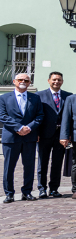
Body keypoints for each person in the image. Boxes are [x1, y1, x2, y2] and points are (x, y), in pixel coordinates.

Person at [0, 72, 44, 203]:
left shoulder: (35, 98)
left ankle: (27, 192)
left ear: (30, 83)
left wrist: (29, 127)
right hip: (11, 137)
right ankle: (9, 193)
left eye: (26, 80)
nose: (23, 82)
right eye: (20, 79)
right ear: (14, 81)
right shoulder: (4, 98)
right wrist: (19, 127)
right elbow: (2, 116)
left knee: (29, 166)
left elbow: (40, 116)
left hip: (29, 137)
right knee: (9, 167)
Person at [35, 71, 71, 199]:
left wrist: (68, 135)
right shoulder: (39, 95)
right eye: (54, 79)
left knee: (57, 163)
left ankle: (54, 188)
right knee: (42, 163)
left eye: (59, 80)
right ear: (48, 80)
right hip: (44, 135)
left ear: (62, 81)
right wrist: (37, 133)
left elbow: (70, 117)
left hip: (61, 136)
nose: (57, 82)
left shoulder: (68, 96)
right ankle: (42, 189)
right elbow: (36, 115)